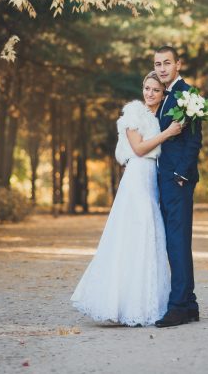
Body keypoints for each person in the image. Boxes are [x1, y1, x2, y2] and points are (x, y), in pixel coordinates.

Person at [71, 71, 183, 326]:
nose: (150, 93)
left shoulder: (161, 115)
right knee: (132, 233)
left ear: (163, 93)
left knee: (149, 236)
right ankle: (117, 302)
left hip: (152, 179)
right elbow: (139, 148)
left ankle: (144, 302)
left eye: (155, 89)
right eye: (146, 88)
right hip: (136, 177)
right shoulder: (134, 113)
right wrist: (168, 133)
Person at [153, 45, 203, 328]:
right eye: (158, 64)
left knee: (178, 243)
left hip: (177, 181)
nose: (162, 68)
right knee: (175, 242)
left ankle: (178, 307)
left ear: (178, 64)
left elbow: (195, 139)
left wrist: (181, 175)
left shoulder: (188, 94)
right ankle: (191, 304)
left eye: (166, 63)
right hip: (163, 180)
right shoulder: (160, 97)